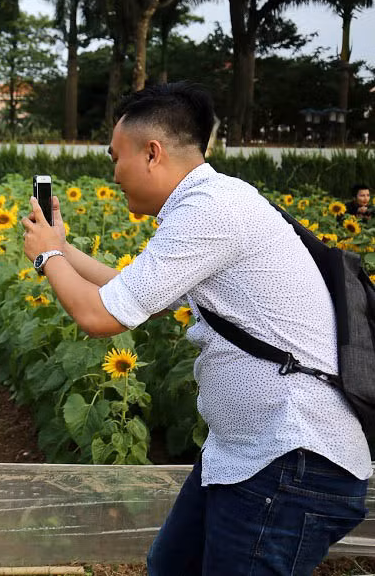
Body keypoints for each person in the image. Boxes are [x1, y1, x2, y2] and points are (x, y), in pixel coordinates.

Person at [21, 82, 370, 575]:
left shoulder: (210, 211)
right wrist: (62, 247)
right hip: (246, 453)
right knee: (169, 567)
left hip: (291, 456)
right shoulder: (211, 201)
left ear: (152, 153)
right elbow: (136, 296)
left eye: (115, 157)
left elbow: (100, 316)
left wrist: (46, 257)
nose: (113, 173)